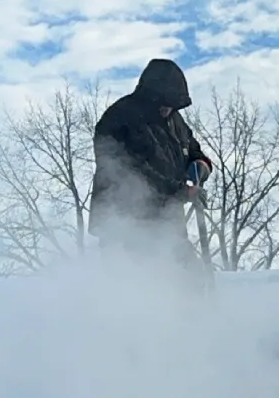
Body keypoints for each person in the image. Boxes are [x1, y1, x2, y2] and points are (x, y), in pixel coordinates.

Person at [87, 58, 212, 269]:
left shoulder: (174, 121)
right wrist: (181, 192)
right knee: (139, 288)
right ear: (152, 96)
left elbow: (192, 150)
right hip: (125, 227)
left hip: (168, 225)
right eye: (165, 102)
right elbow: (133, 175)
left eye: (173, 104)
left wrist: (201, 164)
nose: (168, 109)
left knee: (192, 278)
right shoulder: (120, 119)